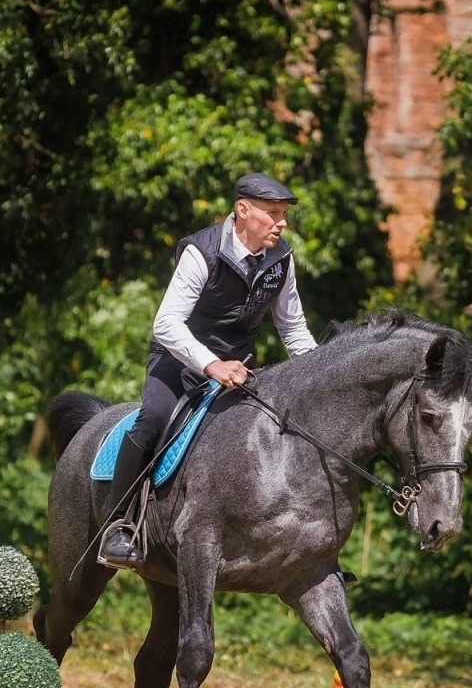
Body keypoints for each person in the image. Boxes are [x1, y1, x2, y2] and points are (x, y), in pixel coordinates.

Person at [98, 172, 319, 568]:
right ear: (243, 210)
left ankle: (309, 546)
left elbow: (293, 329)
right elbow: (166, 324)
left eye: (284, 215)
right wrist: (211, 364)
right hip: (177, 362)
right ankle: (117, 526)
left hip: (238, 369)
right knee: (153, 419)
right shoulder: (201, 251)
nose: (282, 223)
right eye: (272, 213)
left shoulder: (281, 259)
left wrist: (319, 374)